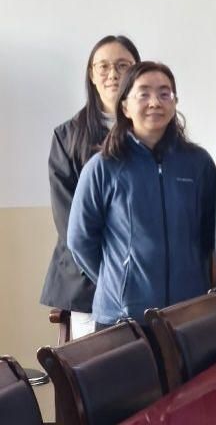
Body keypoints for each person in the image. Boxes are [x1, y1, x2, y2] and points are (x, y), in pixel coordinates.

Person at [67, 62, 216, 329]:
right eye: (144, 93)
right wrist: (119, 281)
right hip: (122, 320)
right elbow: (80, 240)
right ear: (125, 107)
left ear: (175, 103)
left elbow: (210, 233)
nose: (155, 102)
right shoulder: (103, 166)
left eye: (164, 93)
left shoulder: (198, 163)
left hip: (188, 316)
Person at [42, 35, 140, 339]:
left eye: (122, 66)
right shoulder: (67, 136)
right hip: (87, 282)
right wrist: (110, 276)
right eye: (104, 67)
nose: (113, 74)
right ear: (91, 74)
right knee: (93, 364)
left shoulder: (152, 132)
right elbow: (70, 222)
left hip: (143, 278)